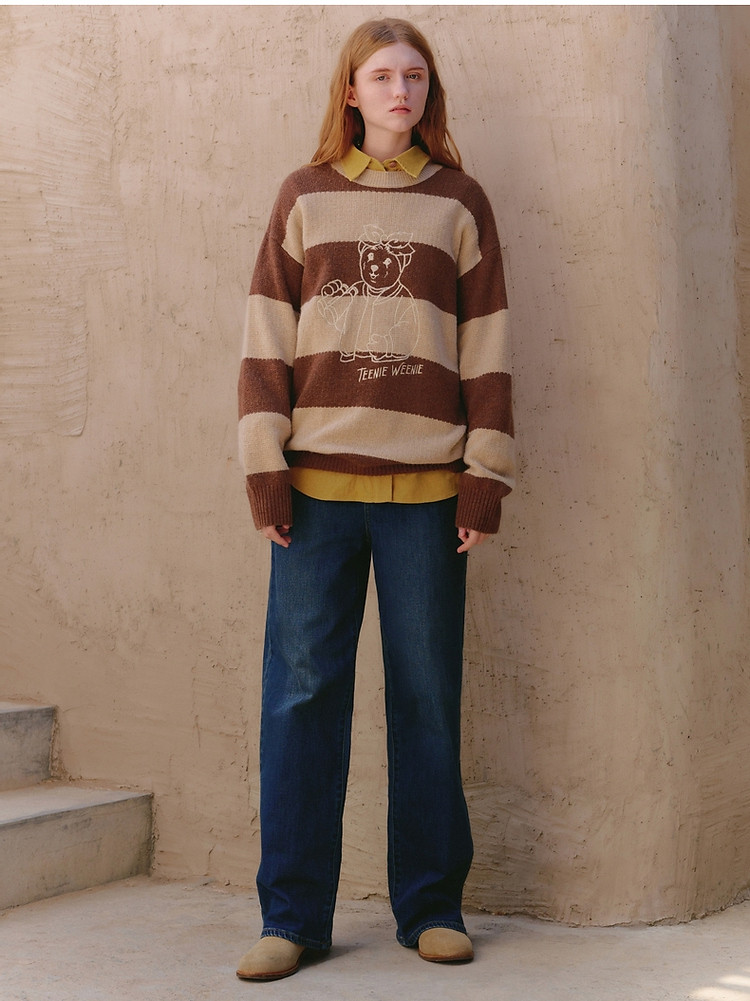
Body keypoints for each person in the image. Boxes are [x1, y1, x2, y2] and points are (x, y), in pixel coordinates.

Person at [236, 16, 514, 981]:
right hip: (313, 494)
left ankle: (431, 905)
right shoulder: (303, 196)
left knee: (428, 697)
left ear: (430, 92)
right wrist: (263, 464)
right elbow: (266, 334)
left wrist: (485, 476)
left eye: (417, 76)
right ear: (350, 91)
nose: (402, 90)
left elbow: (488, 345)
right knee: (301, 696)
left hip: (430, 496)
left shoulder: (460, 202)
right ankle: (292, 915)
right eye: (384, 75)